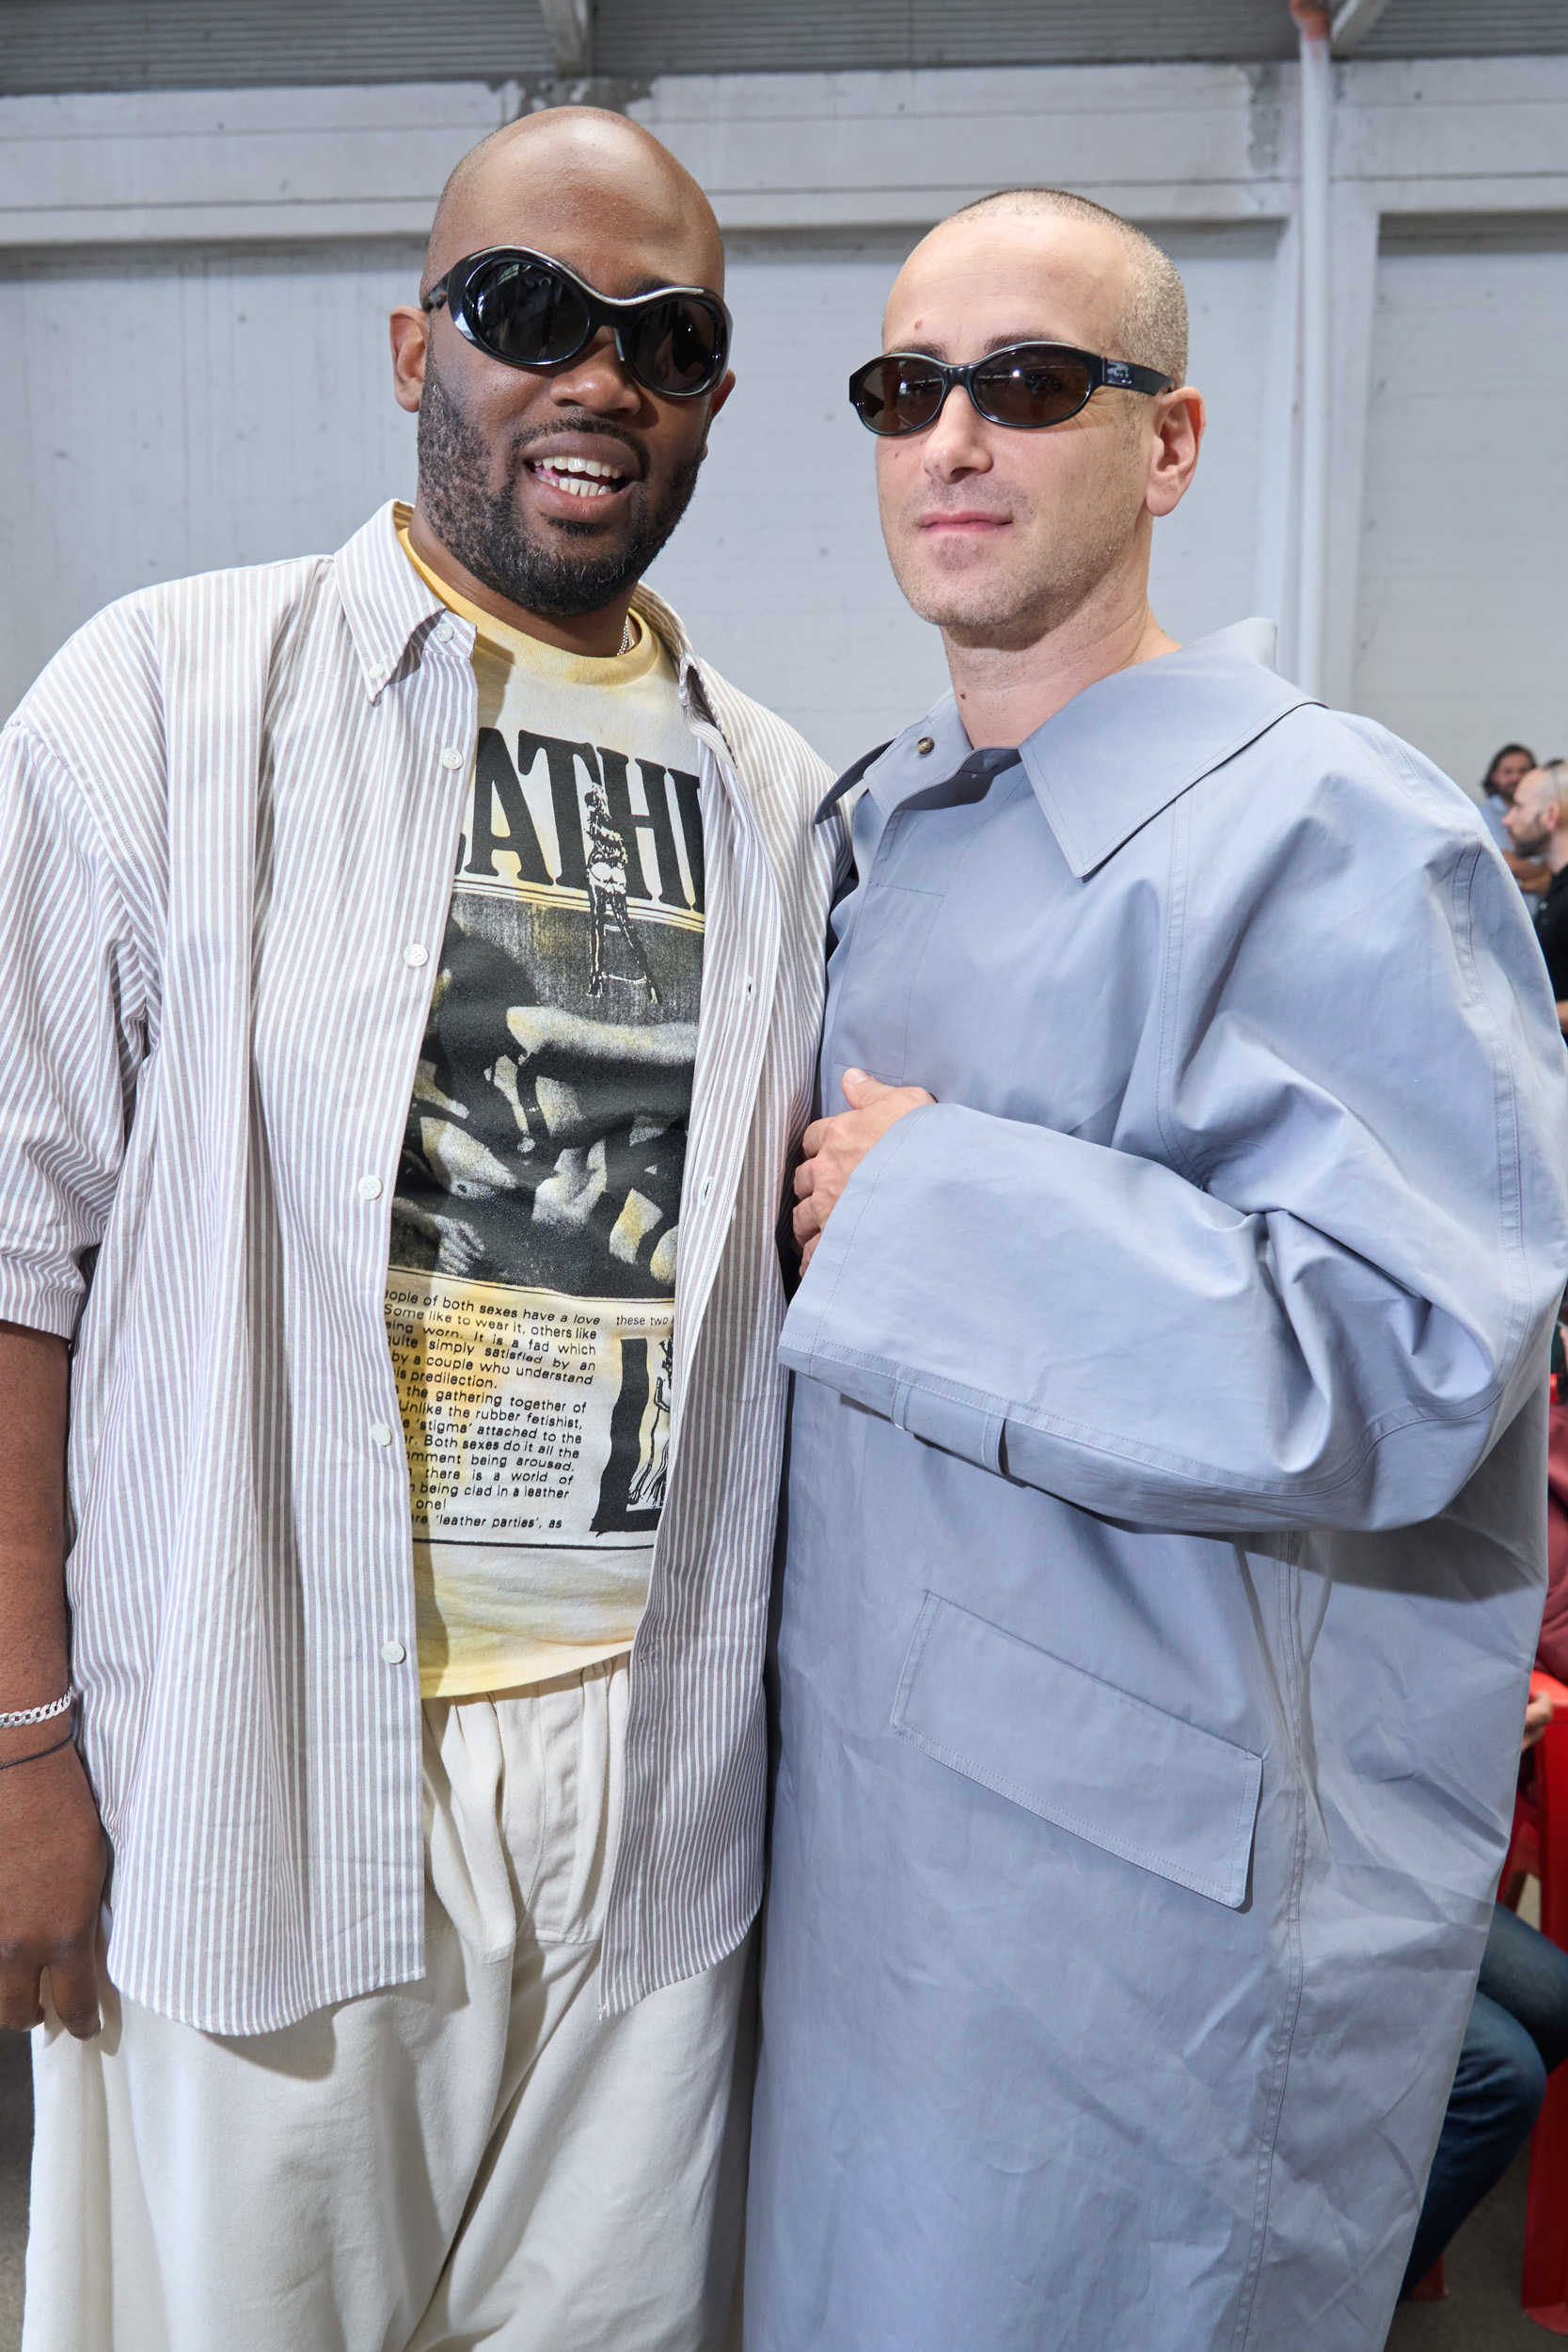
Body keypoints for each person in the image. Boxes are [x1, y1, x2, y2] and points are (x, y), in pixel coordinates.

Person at [0, 108, 840, 2352]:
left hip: (653, 1788)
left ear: (715, 399)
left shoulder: (770, 792)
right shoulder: (159, 701)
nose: (597, 376)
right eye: (528, 312)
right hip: (259, 1753)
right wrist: (19, 1750)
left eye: (664, 338)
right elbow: (13, 1260)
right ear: (415, 343)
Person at [744, 186, 1568, 2350]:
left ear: (1168, 443)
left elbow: (1403, 1357)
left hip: (1135, 1939)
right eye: (907, 390)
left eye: (1026, 386)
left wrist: (936, 1208)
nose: (955, 443)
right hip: (855, 1856)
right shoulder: (872, 828)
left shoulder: (1331, 834)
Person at [1402, 1687, 1568, 2299]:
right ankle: (1320, 2313)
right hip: (1312, 1833)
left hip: (1389, 1823)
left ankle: (1364, 2215)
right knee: (1500, 2074)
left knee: (1552, 1999)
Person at [1505, 758, 1568, 1027]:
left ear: (1551, 816)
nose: (1507, 819)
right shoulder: (1557, 887)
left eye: (1518, 807)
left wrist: (1516, 1018)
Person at [1480, 739, 1546, 893]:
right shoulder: (1481, 815)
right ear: (1494, 776)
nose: (1516, 777)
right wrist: (1546, 873)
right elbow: (1508, 865)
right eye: (1508, 772)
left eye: (1523, 770)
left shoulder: (1546, 814)